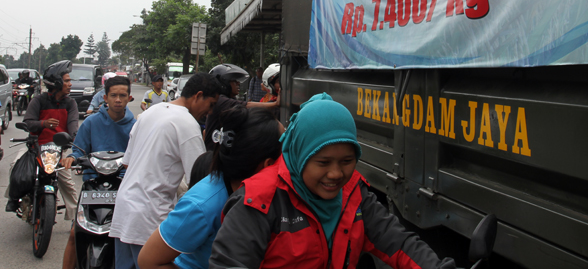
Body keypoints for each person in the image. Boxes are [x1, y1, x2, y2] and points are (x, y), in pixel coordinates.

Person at [208, 94, 457, 269]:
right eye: (323, 163)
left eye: (347, 161)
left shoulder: (354, 194)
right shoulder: (258, 200)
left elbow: (397, 242)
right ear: (299, 154)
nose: (336, 174)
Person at [137, 104, 283, 269]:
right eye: (284, 151)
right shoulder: (202, 205)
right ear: (267, 164)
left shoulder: (266, 193)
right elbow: (148, 260)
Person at [110, 73, 221, 269]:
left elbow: (127, 162)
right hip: (151, 214)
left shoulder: (150, 113)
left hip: (124, 210)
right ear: (198, 95)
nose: (210, 112)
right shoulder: (188, 124)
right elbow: (200, 179)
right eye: (211, 104)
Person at [62, 75, 136, 269]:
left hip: (123, 186)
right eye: (113, 95)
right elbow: (78, 149)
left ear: (129, 98)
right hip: (93, 186)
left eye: (122, 95)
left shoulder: (136, 126)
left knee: (129, 236)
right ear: (105, 98)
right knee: (74, 234)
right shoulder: (91, 122)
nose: (118, 99)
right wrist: (72, 157)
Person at [5, 59, 79, 220]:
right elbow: (28, 123)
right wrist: (43, 124)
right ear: (57, 82)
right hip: (35, 147)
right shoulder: (38, 100)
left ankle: (75, 218)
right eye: (67, 81)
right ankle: (13, 200)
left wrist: (74, 138)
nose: (70, 84)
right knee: (15, 167)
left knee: (67, 183)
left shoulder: (70, 103)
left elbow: (73, 125)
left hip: (57, 150)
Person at [203, 64, 275, 150]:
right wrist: (275, 104)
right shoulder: (220, 100)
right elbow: (247, 106)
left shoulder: (228, 98)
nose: (238, 83)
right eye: (234, 81)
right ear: (224, 83)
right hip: (214, 155)